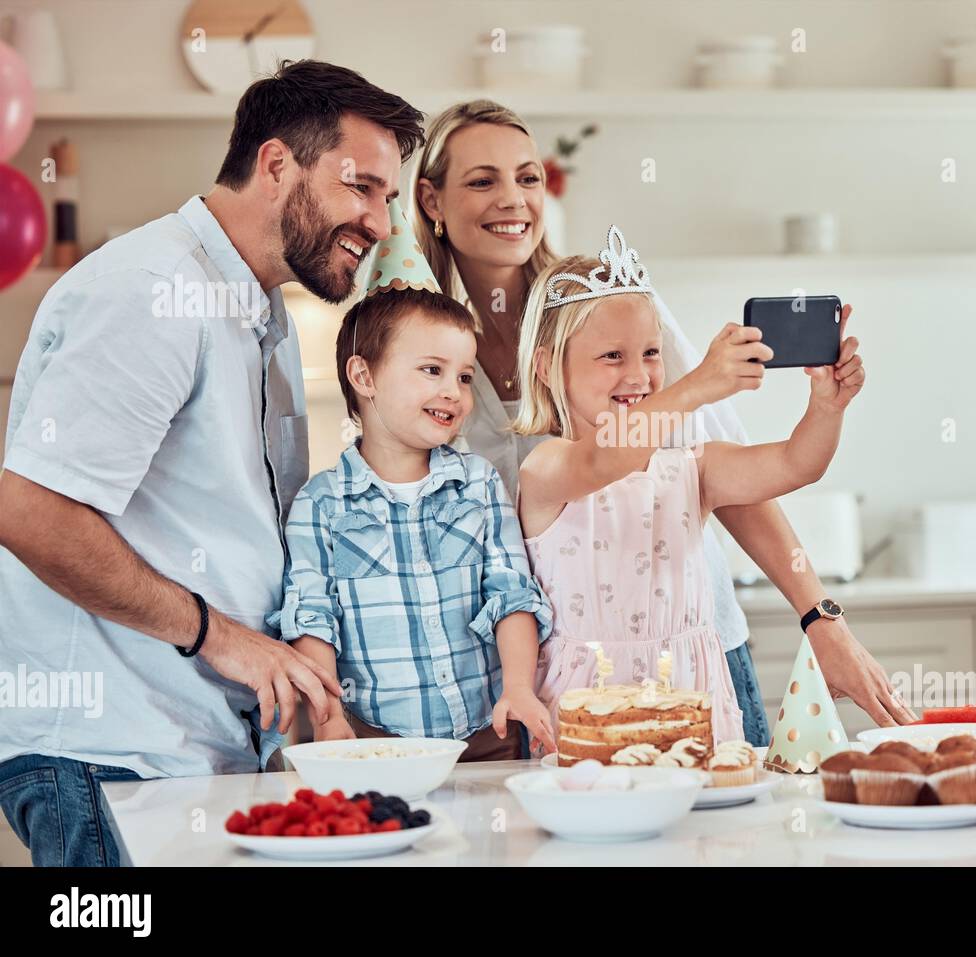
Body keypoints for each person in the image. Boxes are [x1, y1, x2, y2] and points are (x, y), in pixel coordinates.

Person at [0, 60, 424, 866]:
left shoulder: (257, 311)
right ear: (275, 166)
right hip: (109, 761)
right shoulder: (152, 289)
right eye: (360, 187)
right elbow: (27, 511)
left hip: (188, 758)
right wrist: (218, 636)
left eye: (388, 198)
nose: (378, 221)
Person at [407, 99, 917, 746]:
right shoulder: (427, 351)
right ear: (432, 199)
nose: (513, 199)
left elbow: (766, 471)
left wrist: (821, 614)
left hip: (694, 662)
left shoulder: (613, 303)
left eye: (529, 177)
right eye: (482, 180)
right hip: (547, 685)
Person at [513, 227, 864, 741]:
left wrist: (826, 408)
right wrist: (697, 384)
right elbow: (601, 459)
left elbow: (795, 464)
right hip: (588, 722)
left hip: (696, 709)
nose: (639, 375)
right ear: (547, 368)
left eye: (652, 353)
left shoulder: (690, 467)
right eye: (613, 356)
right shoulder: (547, 469)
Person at [270, 201, 554, 760]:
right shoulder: (320, 504)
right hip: (375, 745)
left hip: (490, 735)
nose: (455, 391)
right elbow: (312, 617)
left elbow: (511, 594)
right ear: (364, 376)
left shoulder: (479, 485)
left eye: (465, 376)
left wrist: (519, 686)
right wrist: (326, 720)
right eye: (432, 370)